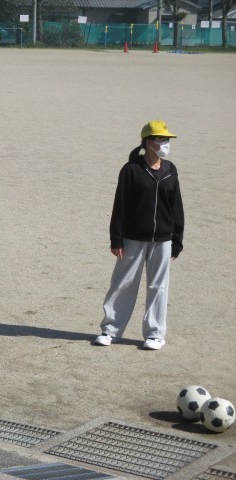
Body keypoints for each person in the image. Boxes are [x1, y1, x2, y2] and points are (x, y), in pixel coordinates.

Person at [94, 120, 184, 351]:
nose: (165, 143)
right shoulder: (131, 170)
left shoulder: (170, 170)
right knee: (122, 284)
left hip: (162, 240)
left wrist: (177, 239)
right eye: (161, 139)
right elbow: (120, 206)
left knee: (158, 287)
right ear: (148, 142)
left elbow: (176, 206)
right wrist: (116, 238)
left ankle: (155, 334)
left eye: (167, 139)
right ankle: (110, 330)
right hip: (132, 238)